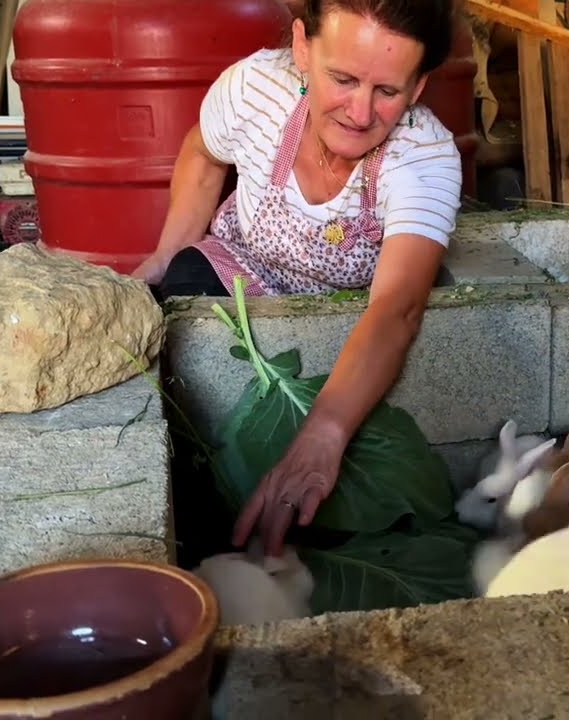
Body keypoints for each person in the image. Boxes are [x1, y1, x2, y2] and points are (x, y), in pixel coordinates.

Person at [132, 0, 463, 557]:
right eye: (343, 79)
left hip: (349, 317)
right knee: (184, 305)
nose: (360, 112)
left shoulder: (423, 154)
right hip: (242, 276)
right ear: (302, 47)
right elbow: (203, 152)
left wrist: (324, 435)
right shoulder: (256, 89)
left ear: (420, 84)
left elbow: (397, 307)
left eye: (388, 91)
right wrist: (164, 257)